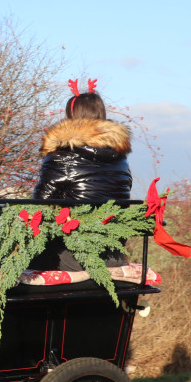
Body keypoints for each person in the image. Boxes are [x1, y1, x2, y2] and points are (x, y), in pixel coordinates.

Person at [31, 79, 132, 271]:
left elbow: (38, 208)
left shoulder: (61, 157)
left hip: (71, 256)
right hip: (113, 254)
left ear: (71, 118)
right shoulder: (121, 159)